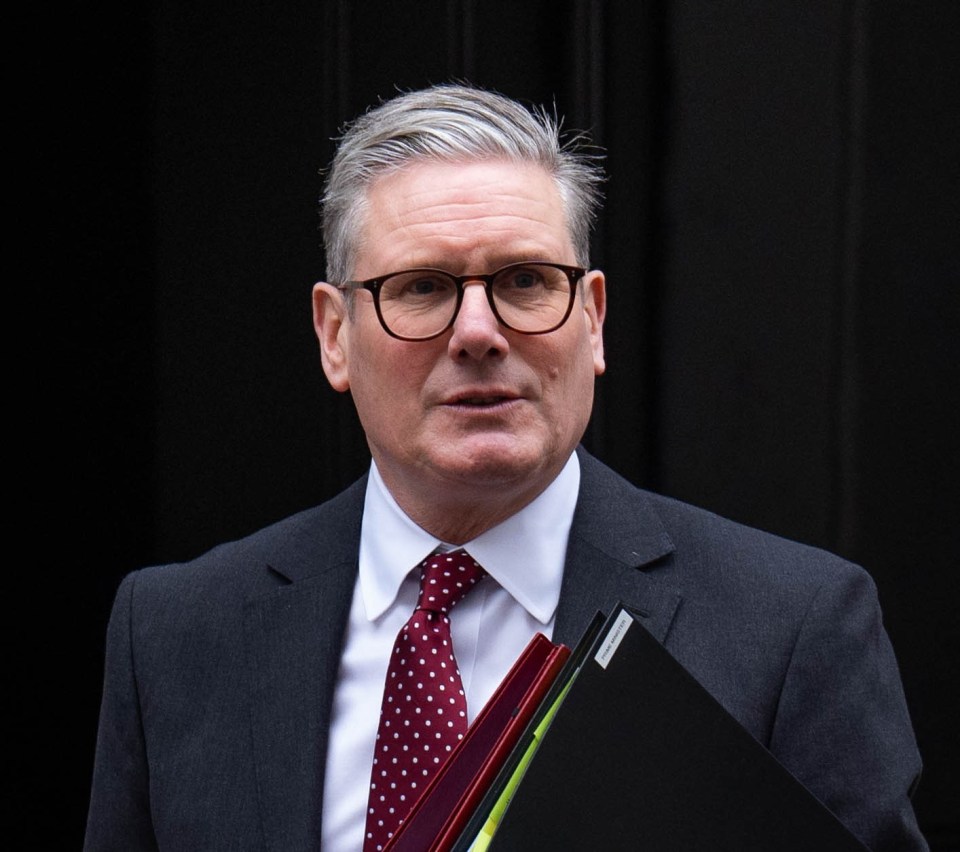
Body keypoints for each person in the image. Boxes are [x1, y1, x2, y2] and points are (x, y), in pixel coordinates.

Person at [84, 83, 927, 851]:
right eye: (421, 287)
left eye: (525, 280)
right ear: (334, 335)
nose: (479, 332)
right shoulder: (175, 632)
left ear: (592, 321)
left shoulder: (792, 628)